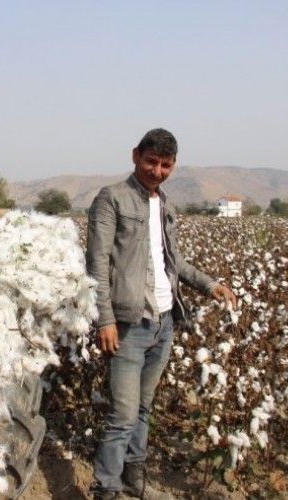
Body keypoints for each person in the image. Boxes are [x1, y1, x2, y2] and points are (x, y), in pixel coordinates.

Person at [86, 128, 236, 500]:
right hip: (128, 323)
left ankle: (134, 480)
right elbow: (97, 262)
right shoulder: (112, 199)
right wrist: (104, 319)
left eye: (165, 165)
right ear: (136, 155)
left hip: (163, 323)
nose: (157, 171)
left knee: (142, 407)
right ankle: (106, 488)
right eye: (151, 161)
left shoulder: (164, 203)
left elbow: (173, 259)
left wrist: (208, 284)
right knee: (122, 414)